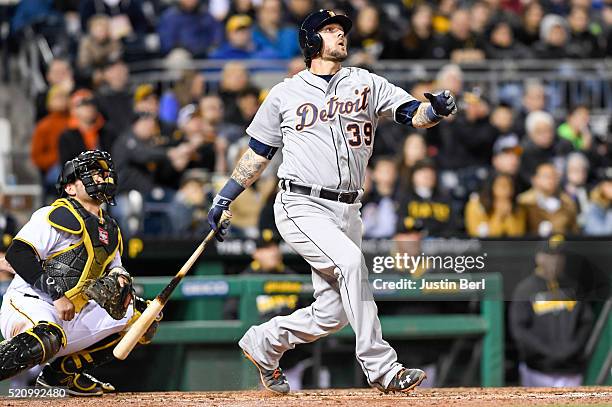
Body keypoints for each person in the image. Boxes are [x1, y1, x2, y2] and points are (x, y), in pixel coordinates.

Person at [206, 9, 457, 394]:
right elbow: (258, 154)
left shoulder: (365, 82)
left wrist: (436, 110)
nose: (340, 35)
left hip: (348, 208)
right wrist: (225, 197)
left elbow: (412, 114)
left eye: (341, 30)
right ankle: (382, 368)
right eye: (330, 30)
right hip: (300, 203)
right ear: (310, 41)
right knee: (353, 263)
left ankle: (264, 341)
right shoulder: (285, 93)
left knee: (332, 314)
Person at [0, 150, 160, 395]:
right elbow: (18, 254)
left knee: (141, 315)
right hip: (31, 302)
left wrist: (121, 278)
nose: (100, 178)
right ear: (71, 188)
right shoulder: (54, 215)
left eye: (103, 173)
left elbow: (115, 265)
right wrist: (56, 294)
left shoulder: (110, 228)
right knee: (47, 337)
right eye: (93, 174)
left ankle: (61, 376)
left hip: (72, 311)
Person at [509, 237, 593, 387]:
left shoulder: (573, 288)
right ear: (539, 257)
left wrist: (572, 348)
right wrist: (549, 351)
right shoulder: (526, 289)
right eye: (550, 256)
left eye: (559, 256)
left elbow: (586, 321)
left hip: (570, 371)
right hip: (538, 370)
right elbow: (519, 330)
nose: (555, 261)